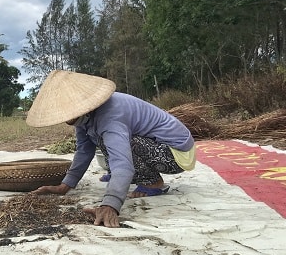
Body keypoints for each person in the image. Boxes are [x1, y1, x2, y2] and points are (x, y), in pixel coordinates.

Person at [26, 70, 196, 228]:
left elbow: (123, 163)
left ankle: (153, 183)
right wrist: (65, 186)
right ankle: (127, 177)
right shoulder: (83, 116)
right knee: (106, 141)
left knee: (126, 144)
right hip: (155, 148)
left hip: (175, 153)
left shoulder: (111, 115)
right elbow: (84, 150)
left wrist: (110, 204)